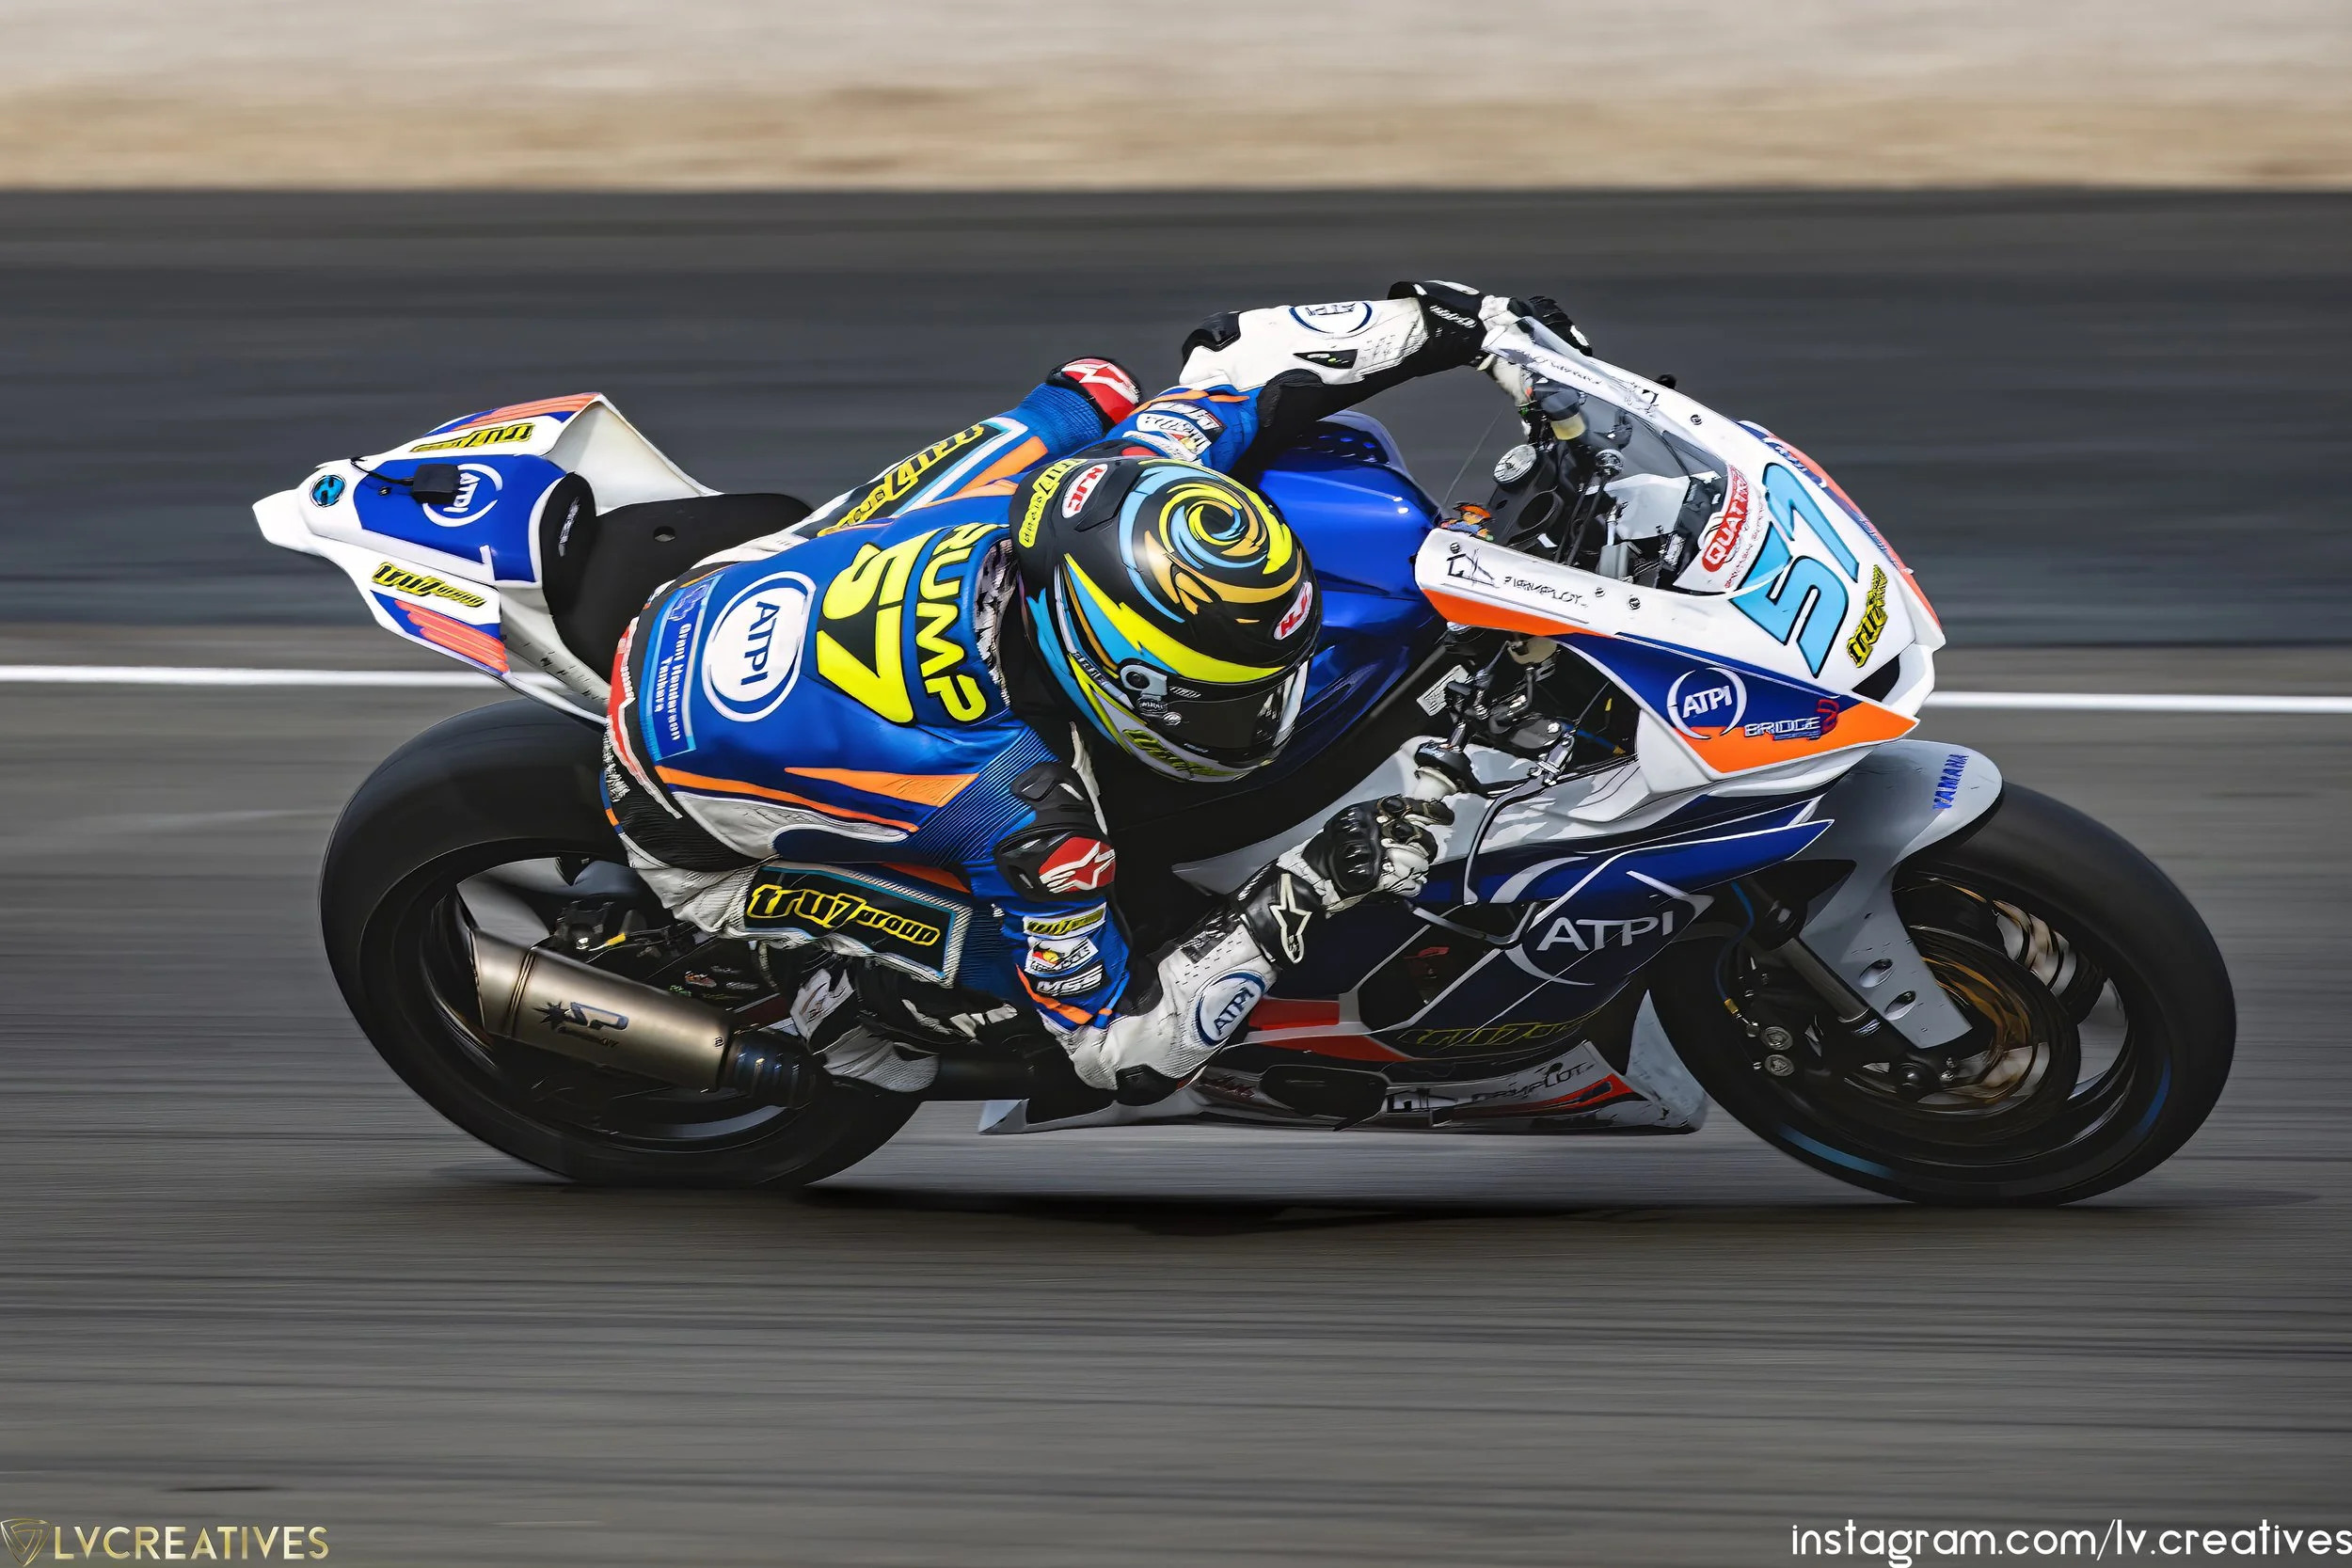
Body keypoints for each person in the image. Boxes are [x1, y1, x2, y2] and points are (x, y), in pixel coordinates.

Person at [601, 282, 1530, 1106]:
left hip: (723, 590)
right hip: (678, 805)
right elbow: (1118, 1055)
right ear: (1103, 672)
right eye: (1217, 699)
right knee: (1115, 941)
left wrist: (1464, 323)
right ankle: (835, 998)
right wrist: (1307, 884)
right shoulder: (1033, 816)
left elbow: (1240, 357)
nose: (1262, 712)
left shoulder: (1133, 476)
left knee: (1097, 393)